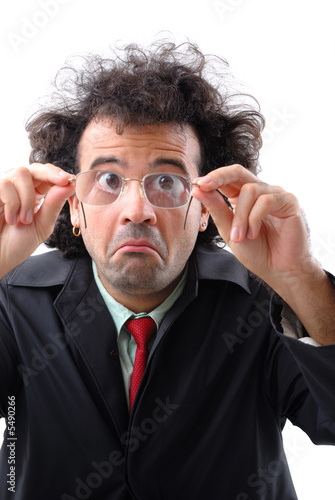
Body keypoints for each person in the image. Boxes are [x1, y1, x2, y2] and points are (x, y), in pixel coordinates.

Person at [0, 40, 334, 500]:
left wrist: (301, 278)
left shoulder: (264, 303)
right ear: (73, 206)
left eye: (167, 181)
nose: (137, 210)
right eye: (108, 180)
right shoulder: (14, 301)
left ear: (204, 210)